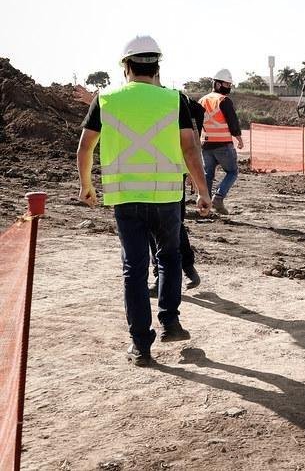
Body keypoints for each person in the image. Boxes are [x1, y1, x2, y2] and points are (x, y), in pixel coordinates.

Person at [77, 35, 213, 367]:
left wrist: (86, 186)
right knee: (168, 259)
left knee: (134, 269)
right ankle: (169, 321)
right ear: (157, 67)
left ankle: (140, 346)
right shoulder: (174, 99)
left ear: (126, 66)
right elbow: (190, 148)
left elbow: (85, 147)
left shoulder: (105, 98)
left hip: (125, 198)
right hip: (167, 195)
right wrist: (202, 191)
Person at [147, 75, 205, 294]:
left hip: (169, 173)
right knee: (165, 226)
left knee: (168, 226)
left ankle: (182, 270)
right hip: (154, 173)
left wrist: (192, 171)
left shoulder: (176, 100)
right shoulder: (167, 100)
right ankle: (182, 271)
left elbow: (193, 135)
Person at [199, 70, 244, 215]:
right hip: (223, 144)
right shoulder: (223, 100)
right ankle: (218, 197)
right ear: (218, 84)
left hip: (206, 144)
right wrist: (239, 138)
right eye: (227, 84)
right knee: (232, 172)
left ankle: (205, 203)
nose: (229, 87)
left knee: (208, 174)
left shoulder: (202, 100)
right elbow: (232, 121)